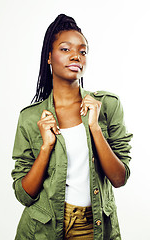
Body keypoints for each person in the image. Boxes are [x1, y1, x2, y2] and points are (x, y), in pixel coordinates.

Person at [11, 14, 133, 240]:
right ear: (49, 57)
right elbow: (24, 194)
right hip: (43, 229)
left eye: (83, 51)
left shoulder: (107, 106)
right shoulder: (30, 118)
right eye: (65, 49)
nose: (76, 55)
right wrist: (46, 148)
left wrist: (95, 128)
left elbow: (119, 178)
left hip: (94, 226)